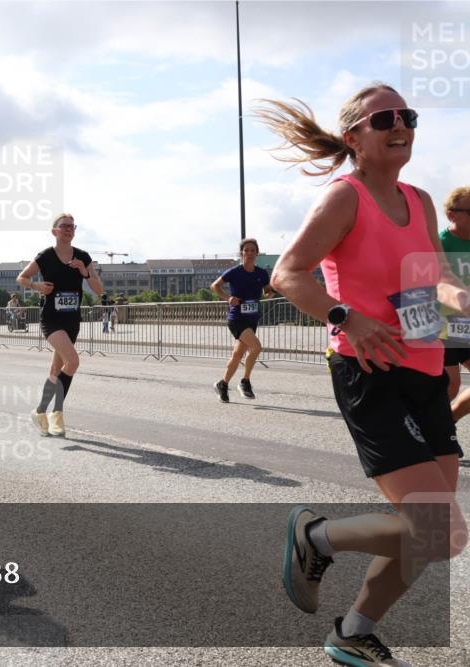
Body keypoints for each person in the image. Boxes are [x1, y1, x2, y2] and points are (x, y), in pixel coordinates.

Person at [258, 83, 466, 666]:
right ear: (354, 138)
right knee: (440, 532)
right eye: (385, 119)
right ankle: (315, 538)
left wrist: (461, 296)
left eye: (408, 116)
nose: (401, 125)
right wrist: (346, 317)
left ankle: (353, 630)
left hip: (424, 369)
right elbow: (288, 275)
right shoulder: (343, 199)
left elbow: (434, 277)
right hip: (369, 371)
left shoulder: (419, 199)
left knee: (422, 535)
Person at [17, 213, 103, 437]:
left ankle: (39, 412)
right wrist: (37, 287)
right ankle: (57, 413)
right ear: (54, 231)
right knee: (72, 361)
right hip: (51, 318)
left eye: (72, 227)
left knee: (56, 370)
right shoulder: (46, 256)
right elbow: (22, 278)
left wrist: (84, 272)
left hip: (72, 319)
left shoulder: (83, 257)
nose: (69, 229)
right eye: (64, 226)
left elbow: (99, 289)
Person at [210, 238, 275, 402]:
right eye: (247, 250)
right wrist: (228, 298)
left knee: (238, 355)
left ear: (257, 253)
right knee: (257, 347)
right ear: (242, 253)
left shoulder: (261, 273)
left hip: (252, 319)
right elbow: (215, 286)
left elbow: (267, 291)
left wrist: (271, 292)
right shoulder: (235, 272)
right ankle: (245, 382)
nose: (250, 253)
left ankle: (222, 384)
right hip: (237, 318)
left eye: (253, 250)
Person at [437, 186, 470, 421]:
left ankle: (447, 424)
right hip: (443, 325)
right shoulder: (439, 243)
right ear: (452, 214)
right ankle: (433, 433)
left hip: (468, 324)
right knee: (450, 385)